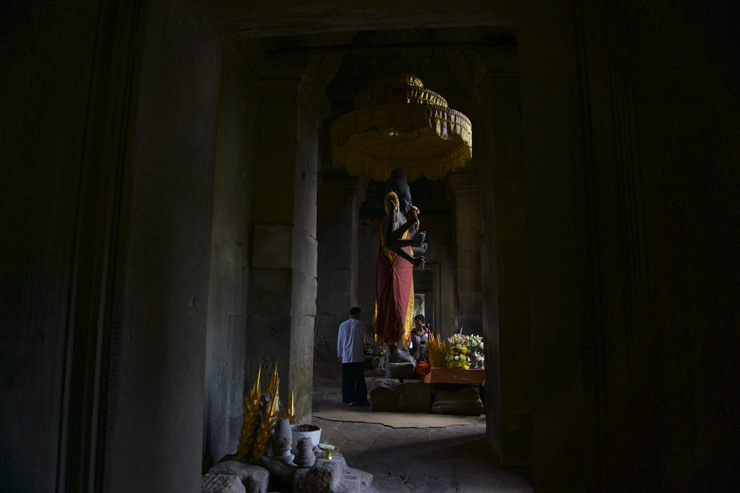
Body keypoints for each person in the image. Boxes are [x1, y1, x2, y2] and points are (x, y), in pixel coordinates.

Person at [374, 168, 427, 350]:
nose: (409, 203)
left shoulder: (402, 218)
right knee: (395, 308)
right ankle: (394, 347)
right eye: (406, 198)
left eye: (411, 199)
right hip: (393, 270)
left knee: (403, 308)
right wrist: (412, 237)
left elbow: (404, 245)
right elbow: (390, 242)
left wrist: (418, 248)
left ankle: (399, 346)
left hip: (403, 269)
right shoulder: (393, 217)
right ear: (395, 197)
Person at [337, 307, 376, 406]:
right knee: (359, 379)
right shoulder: (360, 324)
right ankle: (361, 399)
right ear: (358, 314)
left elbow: (340, 341)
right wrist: (378, 344)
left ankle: (349, 400)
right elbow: (367, 338)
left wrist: (339, 355)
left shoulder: (342, 325)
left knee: (347, 380)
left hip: (346, 357)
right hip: (357, 357)